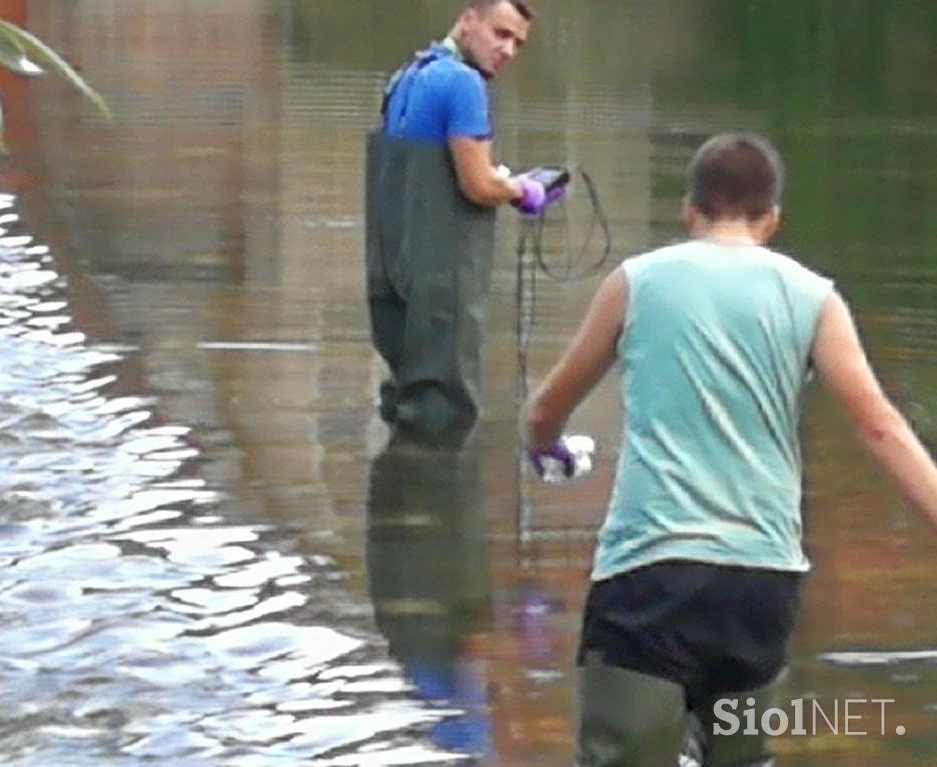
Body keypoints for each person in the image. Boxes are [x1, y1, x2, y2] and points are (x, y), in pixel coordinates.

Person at [521, 133, 937, 766]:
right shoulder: (814, 298)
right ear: (772, 219)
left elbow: (548, 408)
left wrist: (546, 446)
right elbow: (881, 428)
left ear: (690, 212)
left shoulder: (636, 282)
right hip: (760, 585)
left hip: (648, 576)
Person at [365, 0, 556, 443]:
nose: (508, 51)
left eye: (518, 43)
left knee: (403, 399)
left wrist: (497, 179)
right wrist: (522, 189)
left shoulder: (406, 77)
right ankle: (440, 509)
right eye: (500, 34)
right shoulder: (463, 84)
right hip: (439, 278)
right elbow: (476, 185)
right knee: (443, 412)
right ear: (468, 20)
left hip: (391, 271)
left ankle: (397, 503)